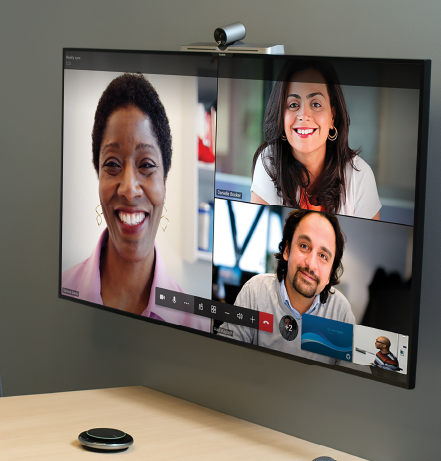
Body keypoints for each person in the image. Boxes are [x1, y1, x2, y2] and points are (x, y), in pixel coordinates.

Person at [61, 73, 209, 332]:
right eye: (112, 164)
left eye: (147, 165)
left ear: (165, 180)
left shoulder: (194, 323)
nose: (129, 190)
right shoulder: (63, 290)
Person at [218, 209, 356, 363]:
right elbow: (224, 356)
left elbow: (354, 380)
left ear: (330, 273)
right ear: (287, 250)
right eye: (304, 246)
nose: (311, 264)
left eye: (323, 256)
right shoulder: (255, 292)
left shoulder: (340, 312)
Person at [250, 59, 381, 220]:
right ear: (281, 117)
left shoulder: (360, 174)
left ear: (332, 116)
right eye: (293, 104)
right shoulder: (269, 161)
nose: (304, 116)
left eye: (316, 104)